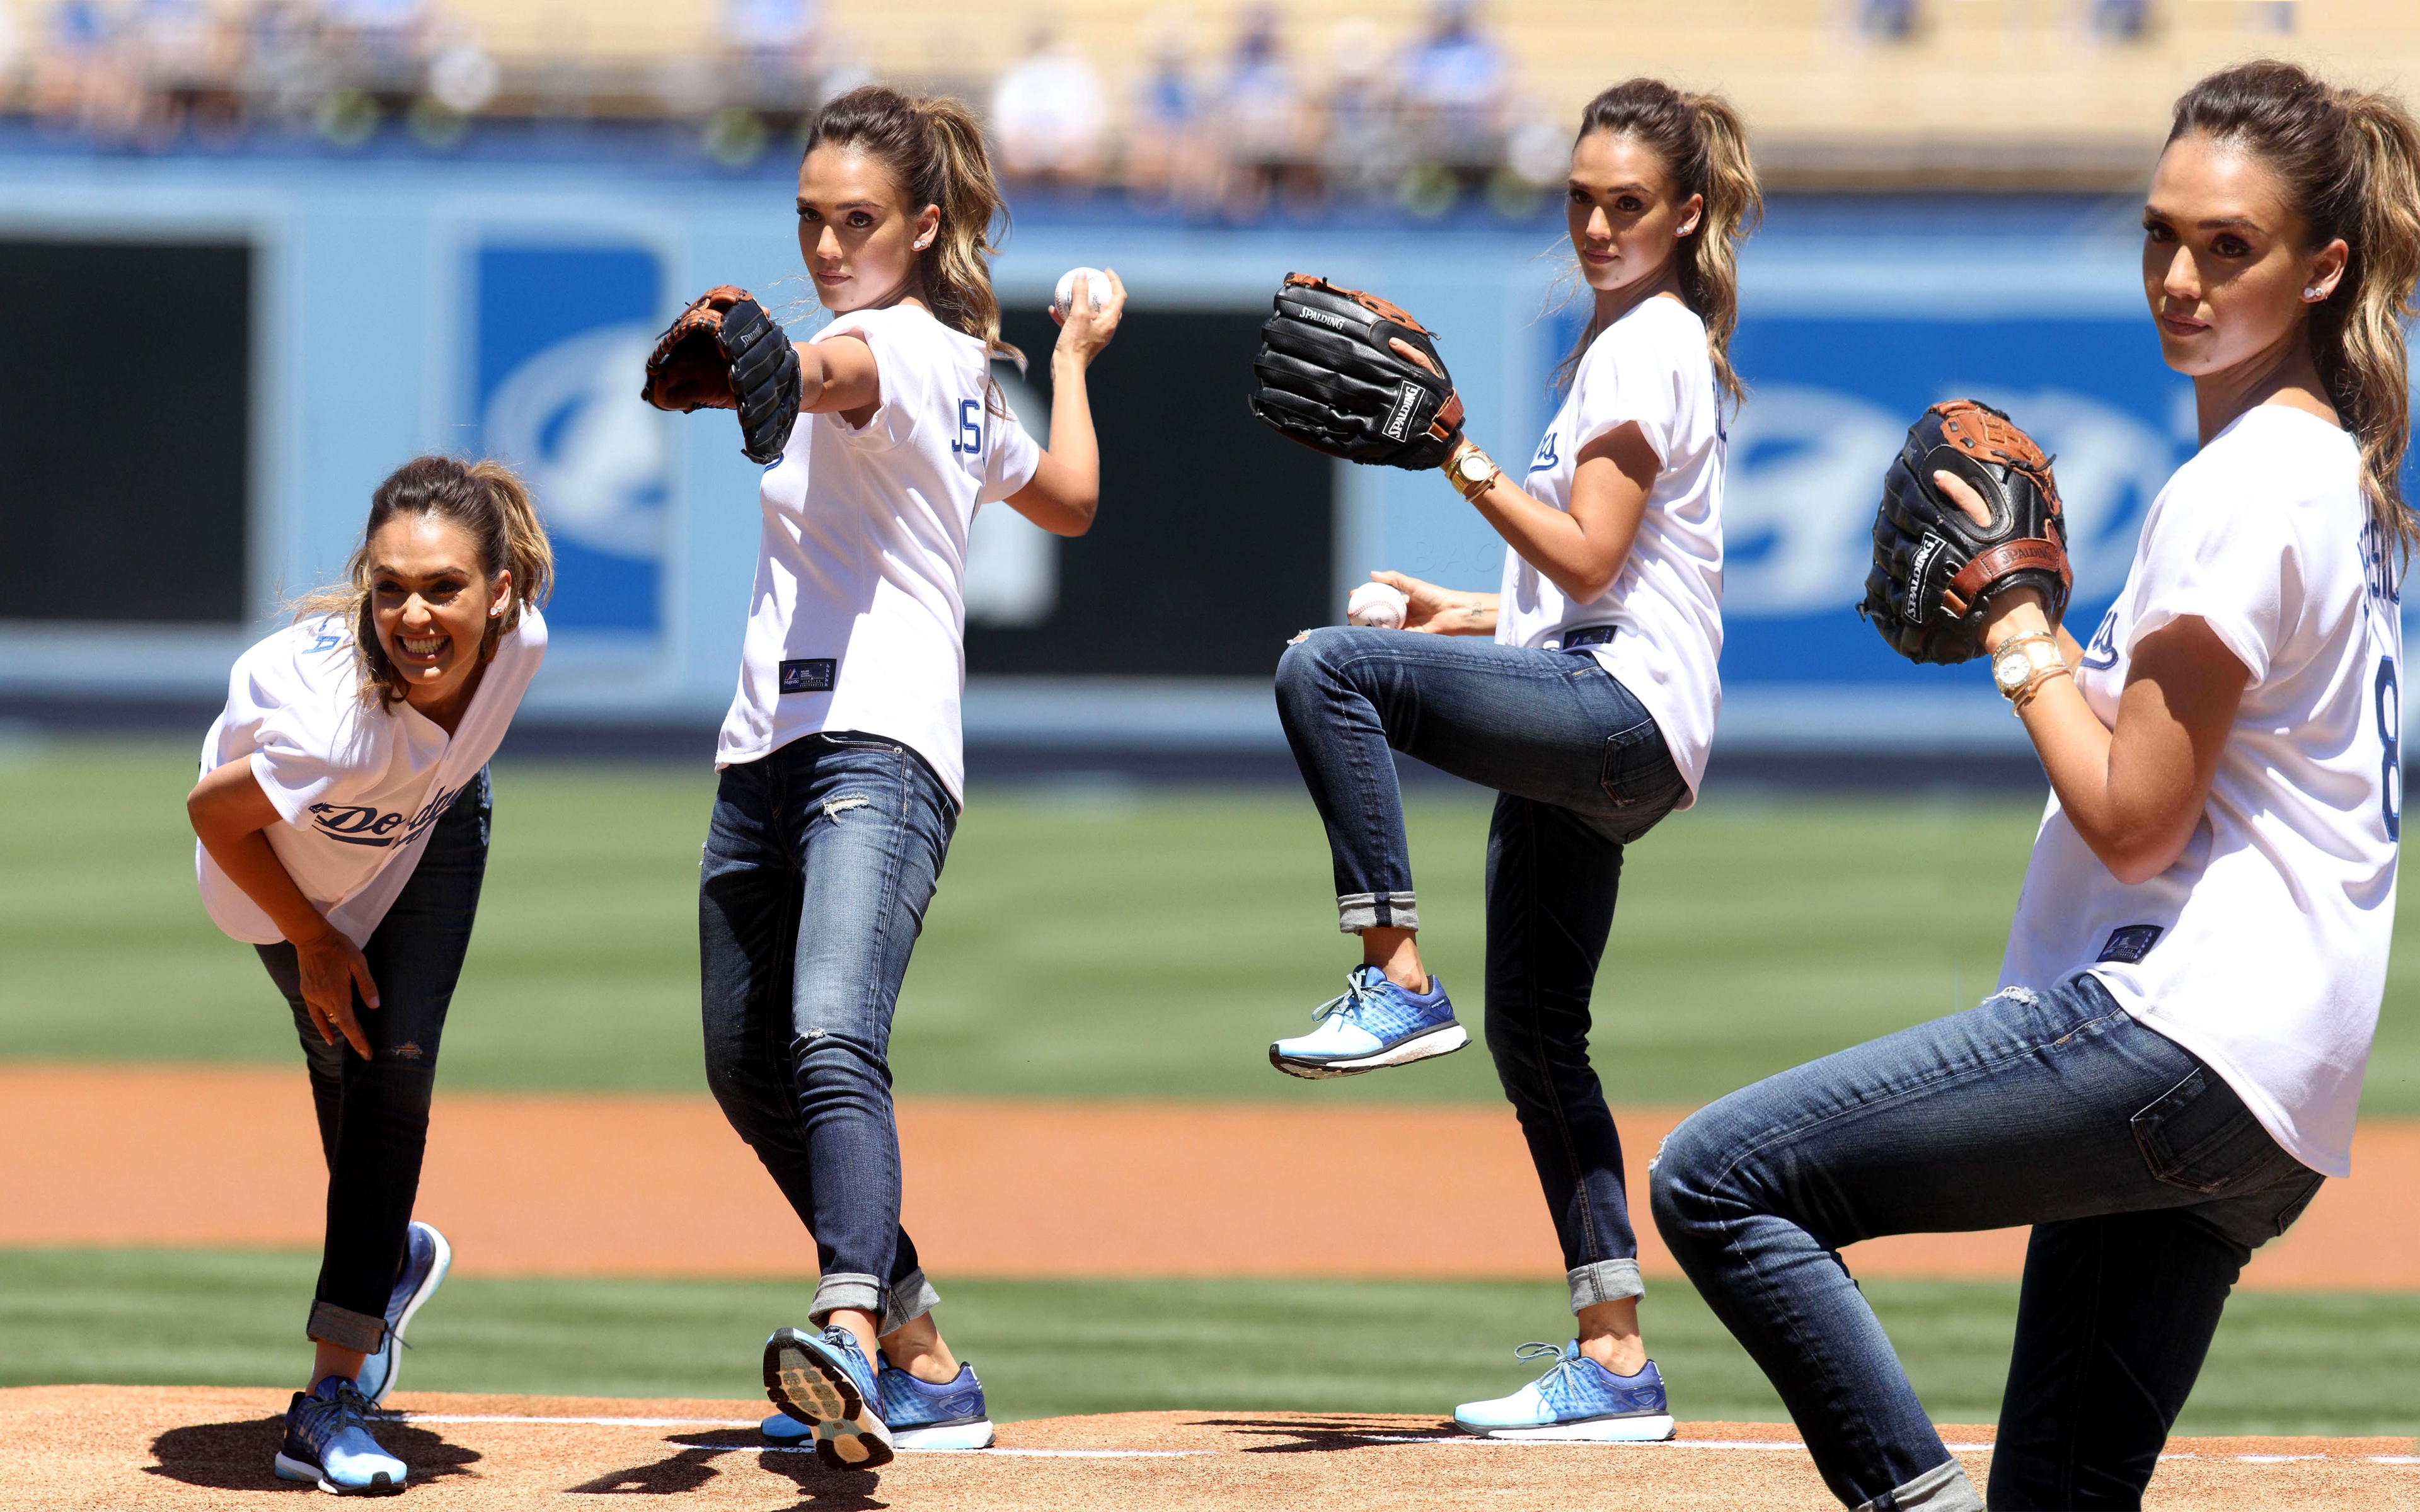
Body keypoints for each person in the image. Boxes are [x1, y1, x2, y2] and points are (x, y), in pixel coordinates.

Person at [1651, 59, 2419, 1512]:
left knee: (1721, 1181)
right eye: (2160, 234)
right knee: (2061, 1497)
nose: (2180, 277)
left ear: (2324, 268)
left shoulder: (2245, 486)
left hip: (2182, 1029)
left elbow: (2135, 822)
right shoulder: (2342, 475)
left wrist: (2019, 632)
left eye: (2228, 246)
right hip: (2280, 1095)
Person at [1269, 77, 1760, 1439]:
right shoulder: (1642, 341)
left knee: (1325, 670)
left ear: (1687, 213)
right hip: (1599, 694)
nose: (1600, 225)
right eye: (1583, 203)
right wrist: (1460, 610)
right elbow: (1608, 579)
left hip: (1612, 712)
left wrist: (1458, 456)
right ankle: (1613, 1362)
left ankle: (1394, 974)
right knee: (1545, 1042)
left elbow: (1592, 553)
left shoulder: (1645, 342)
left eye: (1629, 205)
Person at [667, 84, 1123, 1469]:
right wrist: (1080, 360)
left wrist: (773, 362)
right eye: (808, 218)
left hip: (881, 740)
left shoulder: (903, 348)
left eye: (855, 220)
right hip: (765, 748)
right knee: (744, 1066)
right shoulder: (973, 383)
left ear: (924, 227)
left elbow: (827, 373)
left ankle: (850, 1327)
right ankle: (922, 1354)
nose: (824, 245)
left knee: (829, 1033)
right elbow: (1071, 498)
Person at [186, 456, 551, 1496]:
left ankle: (328, 1398)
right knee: (348, 1066)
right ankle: (384, 1259)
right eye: (389, 587)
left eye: (443, 586)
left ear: (501, 590)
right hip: (272, 886)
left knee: (394, 1070)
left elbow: (445, 755)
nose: (414, 614)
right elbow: (215, 816)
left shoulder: (520, 644)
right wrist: (312, 938)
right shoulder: (331, 723)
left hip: (431, 833)